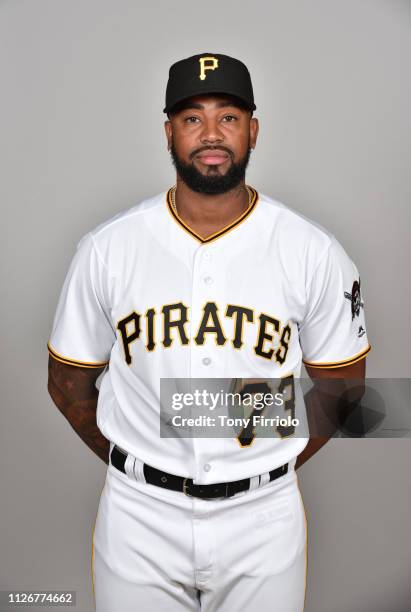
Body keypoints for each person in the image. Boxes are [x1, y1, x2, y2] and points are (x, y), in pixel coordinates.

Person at [47, 53, 371, 612]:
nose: (212, 134)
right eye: (193, 118)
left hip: (263, 519)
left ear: (254, 130)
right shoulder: (109, 248)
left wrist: (260, 454)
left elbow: (343, 389)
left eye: (229, 116)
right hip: (138, 516)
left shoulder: (311, 251)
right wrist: (139, 454)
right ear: (169, 132)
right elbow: (67, 382)